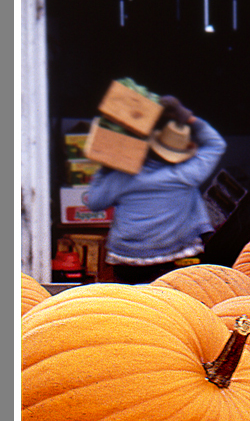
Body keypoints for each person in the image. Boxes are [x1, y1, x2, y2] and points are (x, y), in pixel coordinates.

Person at [86, 96, 226, 284]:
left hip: (126, 258)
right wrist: (187, 117)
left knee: (131, 307)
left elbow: (94, 202)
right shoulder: (186, 174)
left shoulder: (122, 176)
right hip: (172, 256)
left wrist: (105, 168)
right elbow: (216, 144)